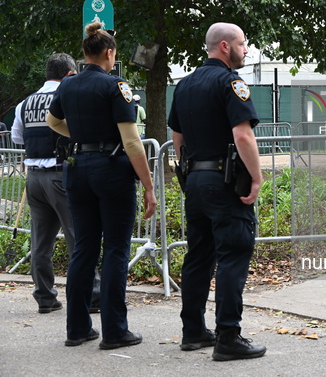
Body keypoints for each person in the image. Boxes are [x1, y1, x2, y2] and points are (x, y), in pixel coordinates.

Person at [47, 22, 157, 348]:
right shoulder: (116, 86)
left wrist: (82, 137)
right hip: (110, 170)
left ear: (84, 53)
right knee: (116, 250)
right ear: (109, 53)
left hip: (77, 169)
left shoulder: (67, 86)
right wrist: (149, 186)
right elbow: (133, 142)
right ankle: (114, 330)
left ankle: (77, 328)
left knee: (83, 249)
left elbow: (54, 122)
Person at [167, 22, 266, 361]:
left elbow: (177, 139)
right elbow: (243, 136)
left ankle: (192, 330)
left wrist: (188, 174)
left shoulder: (184, 85)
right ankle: (228, 336)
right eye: (243, 43)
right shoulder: (231, 82)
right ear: (225, 46)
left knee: (198, 256)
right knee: (233, 255)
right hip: (225, 183)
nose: (246, 49)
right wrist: (256, 176)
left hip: (195, 180)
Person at [11, 53, 101, 314]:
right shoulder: (67, 98)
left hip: (34, 178)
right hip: (61, 174)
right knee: (79, 237)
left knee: (41, 242)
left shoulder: (25, 103)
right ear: (70, 73)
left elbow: (17, 138)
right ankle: (92, 295)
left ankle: (45, 297)